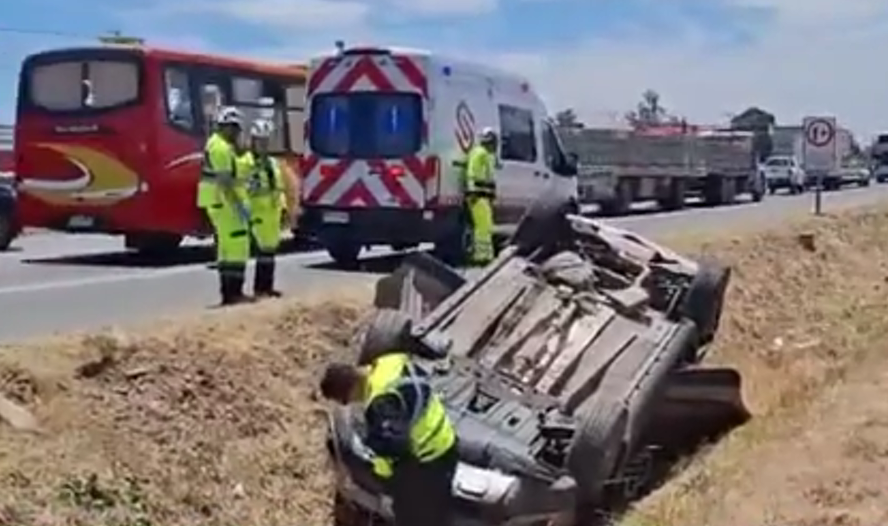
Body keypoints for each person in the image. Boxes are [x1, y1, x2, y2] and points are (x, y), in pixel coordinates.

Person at [320, 352, 458, 526]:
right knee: (439, 510)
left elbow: (396, 448)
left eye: (347, 401)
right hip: (445, 437)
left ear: (350, 390)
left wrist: (377, 466)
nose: (353, 403)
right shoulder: (389, 362)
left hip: (428, 461)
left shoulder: (379, 403)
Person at [199, 106, 253, 305]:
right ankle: (234, 292)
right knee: (237, 245)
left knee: (226, 248)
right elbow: (225, 181)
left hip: (218, 201)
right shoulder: (220, 147)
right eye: (236, 129)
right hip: (224, 201)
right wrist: (238, 204)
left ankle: (228, 293)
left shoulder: (216, 143)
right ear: (228, 127)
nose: (238, 133)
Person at [242, 119, 296, 298]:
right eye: (259, 141)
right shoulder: (247, 163)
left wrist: (284, 209)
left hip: (272, 214)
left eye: (265, 141)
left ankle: (267, 286)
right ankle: (259, 288)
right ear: (253, 141)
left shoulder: (272, 163)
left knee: (270, 253)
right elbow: (243, 189)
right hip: (257, 214)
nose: (262, 145)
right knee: (262, 253)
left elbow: (278, 188)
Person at [463, 127, 498, 266]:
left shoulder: (481, 153)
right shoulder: (481, 154)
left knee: (485, 226)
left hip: (481, 196)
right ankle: (481, 256)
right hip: (478, 196)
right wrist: (474, 193)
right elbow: (474, 175)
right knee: (483, 227)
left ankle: (486, 255)